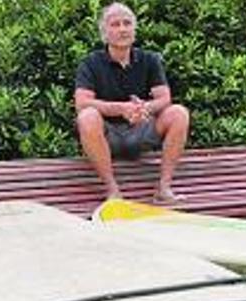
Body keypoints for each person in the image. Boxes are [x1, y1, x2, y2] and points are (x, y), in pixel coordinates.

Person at [74, 2, 190, 202]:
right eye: (115, 24)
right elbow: (82, 103)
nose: (122, 29)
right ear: (104, 32)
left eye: (127, 23)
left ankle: (164, 188)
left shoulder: (149, 60)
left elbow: (164, 98)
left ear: (134, 30)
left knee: (179, 112)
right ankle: (113, 190)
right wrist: (122, 109)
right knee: (87, 117)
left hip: (142, 129)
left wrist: (144, 107)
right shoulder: (90, 63)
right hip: (108, 135)